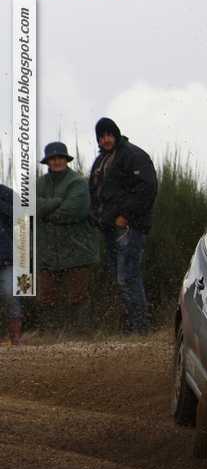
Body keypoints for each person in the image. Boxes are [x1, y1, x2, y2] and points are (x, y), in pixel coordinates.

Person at [88, 118, 158, 334]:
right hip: (110, 229)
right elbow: (96, 193)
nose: (105, 139)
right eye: (101, 136)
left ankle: (140, 328)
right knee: (121, 279)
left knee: (128, 276)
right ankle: (132, 327)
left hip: (129, 228)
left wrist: (125, 216)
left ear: (116, 134)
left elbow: (148, 187)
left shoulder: (133, 155)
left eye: (109, 134)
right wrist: (96, 216)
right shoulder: (101, 160)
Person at [37, 141, 99, 329]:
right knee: (47, 297)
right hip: (47, 252)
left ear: (66, 160)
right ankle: (52, 338)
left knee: (78, 297)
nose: (56, 161)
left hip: (77, 250)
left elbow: (74, 212)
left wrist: (45, 211)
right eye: (52, 158)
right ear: (47, 162)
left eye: (60, 158)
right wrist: (57, 202)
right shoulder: (39, 183)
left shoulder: (78, 182)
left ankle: (82, 337)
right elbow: (30, 206)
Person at [0, 183, 22, 344]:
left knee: (12, 294)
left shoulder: (5, 193)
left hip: (8, 256)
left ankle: (15, 337)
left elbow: (21, 216)